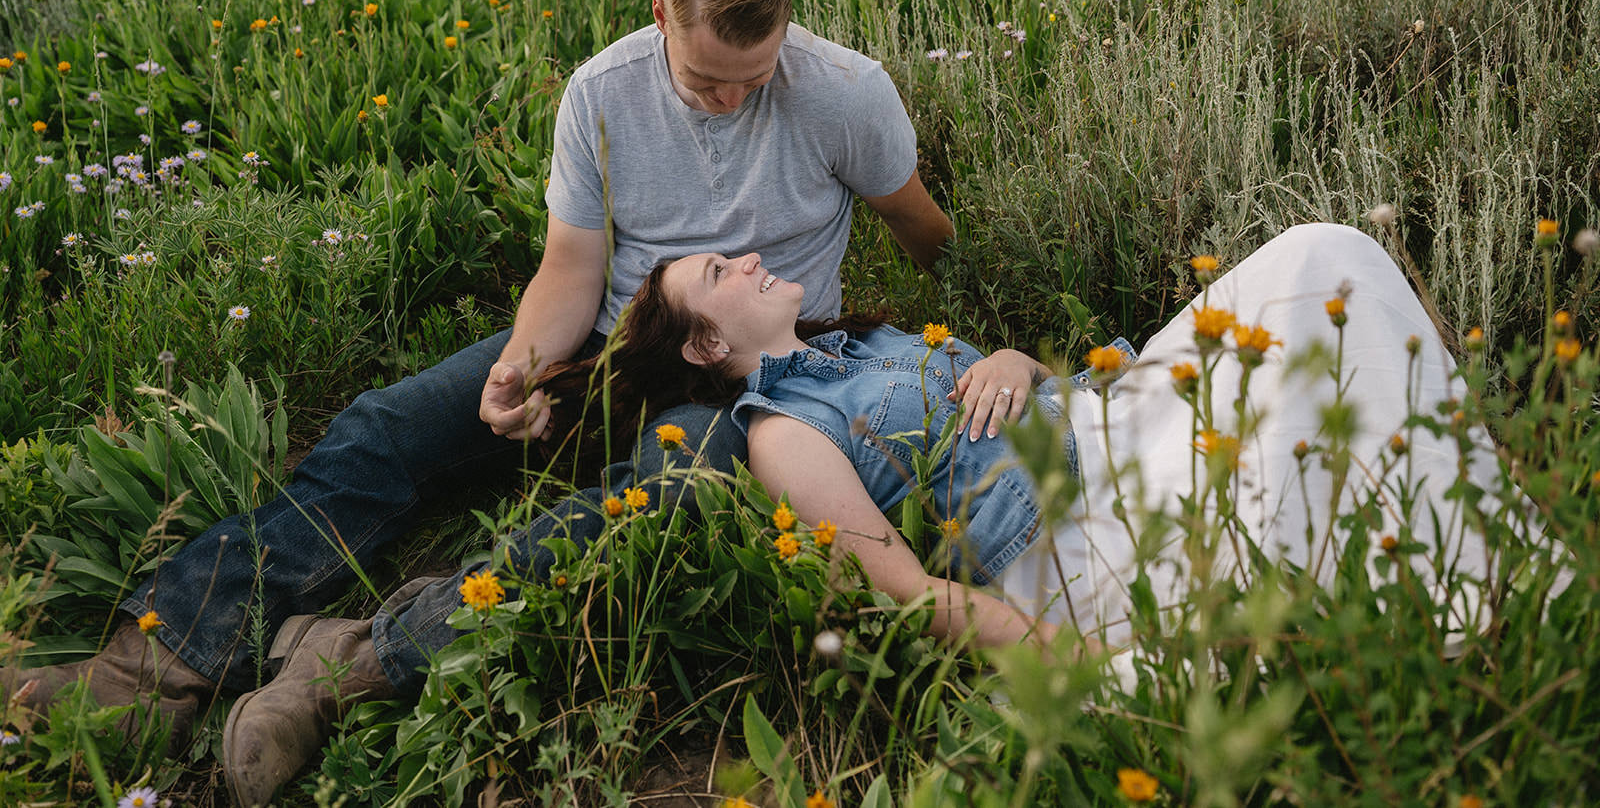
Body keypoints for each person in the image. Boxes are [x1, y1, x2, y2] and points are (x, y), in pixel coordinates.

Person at [0, 0, 953, 807]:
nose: (733, 99)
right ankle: (145, 677)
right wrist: (525, 366)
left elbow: (920, 226)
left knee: (666, 495)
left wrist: (926, 340)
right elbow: (571, 270)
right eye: (708, 78)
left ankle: (348, 666)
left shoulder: (842, 90)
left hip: (743, 386)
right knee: (390, 427)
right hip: (610, 345)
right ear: (662, 18)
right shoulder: (604, 92)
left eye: (756, 75)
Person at [544, 223, 1510, 657]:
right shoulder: (783, 434)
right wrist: (1063, 655)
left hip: (1110, 413)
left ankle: (1467, 522)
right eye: (721, 270)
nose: (749, 258)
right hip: (1077, 520)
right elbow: (905, 595)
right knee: (1290, 434)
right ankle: (1476, 577)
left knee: (1321, 254)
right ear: (709, 343)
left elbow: (1024, 389)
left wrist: (1016, 356)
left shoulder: (873, 340)